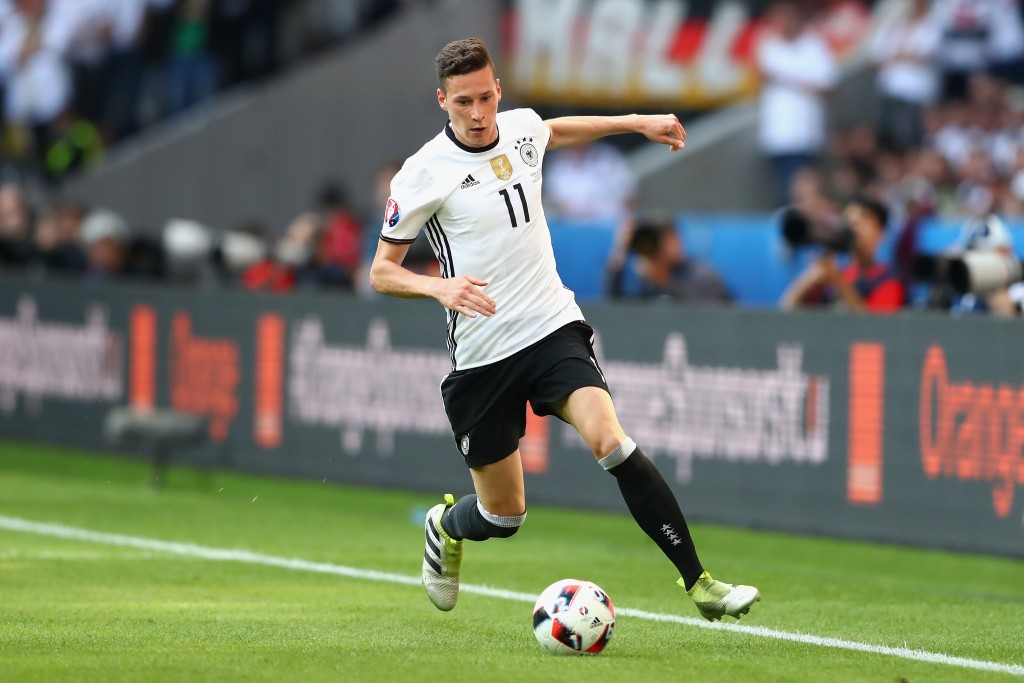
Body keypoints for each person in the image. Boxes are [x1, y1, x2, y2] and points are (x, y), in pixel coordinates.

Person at [368, 37, 760, 622]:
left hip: (553, 326)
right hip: (483, 353)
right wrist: (438, 286)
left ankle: (699, 582)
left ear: (497, 89)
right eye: (463, 104)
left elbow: (558, 130)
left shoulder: (520, 127)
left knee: (611, 440)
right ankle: (444, 525)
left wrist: (638, 123)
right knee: (503, 516)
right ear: (442, 102)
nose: (477, 115)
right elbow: (381, 271)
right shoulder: (423, 174)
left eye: (485, 98)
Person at [779, 194, 906, 312]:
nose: (854, 230)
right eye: (849, 223)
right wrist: (812, 277)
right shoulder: (840, 273)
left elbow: (874, 325)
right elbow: (787, 309)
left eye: (862, 222)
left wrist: (838, 280)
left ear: (881, 232)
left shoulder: (889, 279)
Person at [606, 217, 732, 304]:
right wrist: (620, 252)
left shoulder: (702, 274)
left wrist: (662, 279)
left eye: (669, 237)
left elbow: (702, 315)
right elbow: (616, 307)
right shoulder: (641, 280)